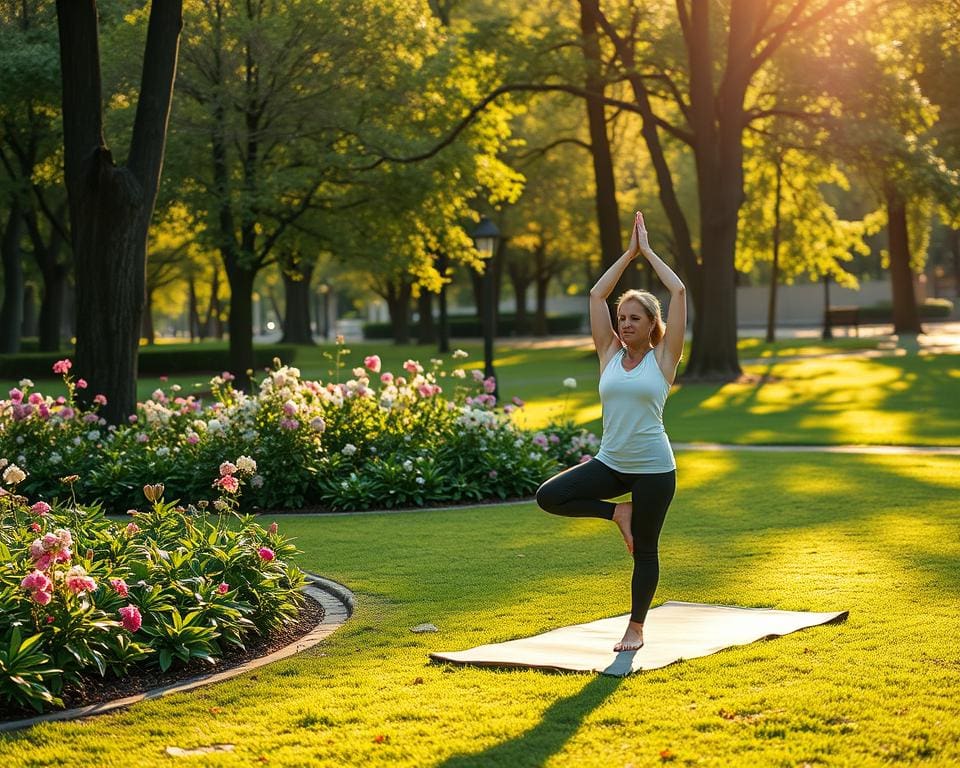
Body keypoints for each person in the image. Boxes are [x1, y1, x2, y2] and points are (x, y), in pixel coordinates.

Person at [535, 210, 686, 652]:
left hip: (654, 469)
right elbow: (596, 293)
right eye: (622, 318)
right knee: (550, 496)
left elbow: (677, 290)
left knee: (646, 549)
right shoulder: (608, 353)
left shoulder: (665, 358)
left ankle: (636, 627)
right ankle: (617, 513)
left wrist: (649, 252)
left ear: (652, 325)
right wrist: (627, 254)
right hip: (611, 463)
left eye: (635, 318)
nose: (625, 324)